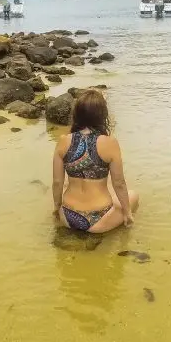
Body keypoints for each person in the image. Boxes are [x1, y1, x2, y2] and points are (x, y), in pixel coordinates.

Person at [52, 89, 139, 234]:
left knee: (70, 182)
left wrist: (56, 208)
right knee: (133, 195)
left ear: (77, 114)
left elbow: (57, 182)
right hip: (99, 219)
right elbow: (119, 183)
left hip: (68, 217)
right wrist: (127, 212)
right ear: (102, 115)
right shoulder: (110, 143)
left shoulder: (63, 141)